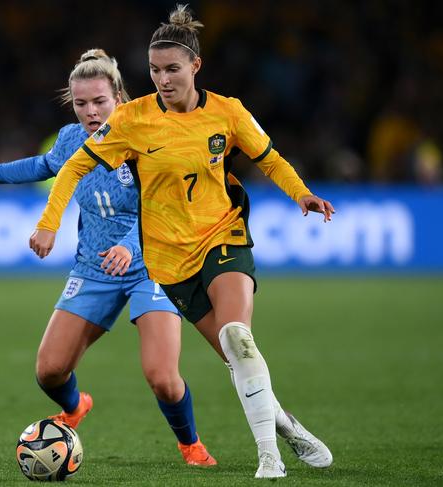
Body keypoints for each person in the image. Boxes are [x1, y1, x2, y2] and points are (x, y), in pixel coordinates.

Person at [29, 7, 336, 479]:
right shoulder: (132, 120)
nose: (163, 79)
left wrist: (302, 193)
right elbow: (73, 166)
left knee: (238, 337)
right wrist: (50, 221)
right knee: (236, 357)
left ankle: (268, 459)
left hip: (224, 236)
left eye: (172, 69)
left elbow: (269, 158)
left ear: (196, 65)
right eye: (154, 71)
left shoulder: (228, 112)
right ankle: (286, 425)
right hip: (171, 262)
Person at [0, 48, 216, 467]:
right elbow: (40, 166)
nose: (90, 111)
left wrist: (130, 246)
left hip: (154, 265)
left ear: (119, 97)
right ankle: (75, 407)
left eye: (99, 101)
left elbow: (166, 207)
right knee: (49, 371)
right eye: (81, 103)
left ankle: (190, 444)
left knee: (162, 377)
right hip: (94, 267)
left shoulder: (149, 136)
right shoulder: (72, 139)